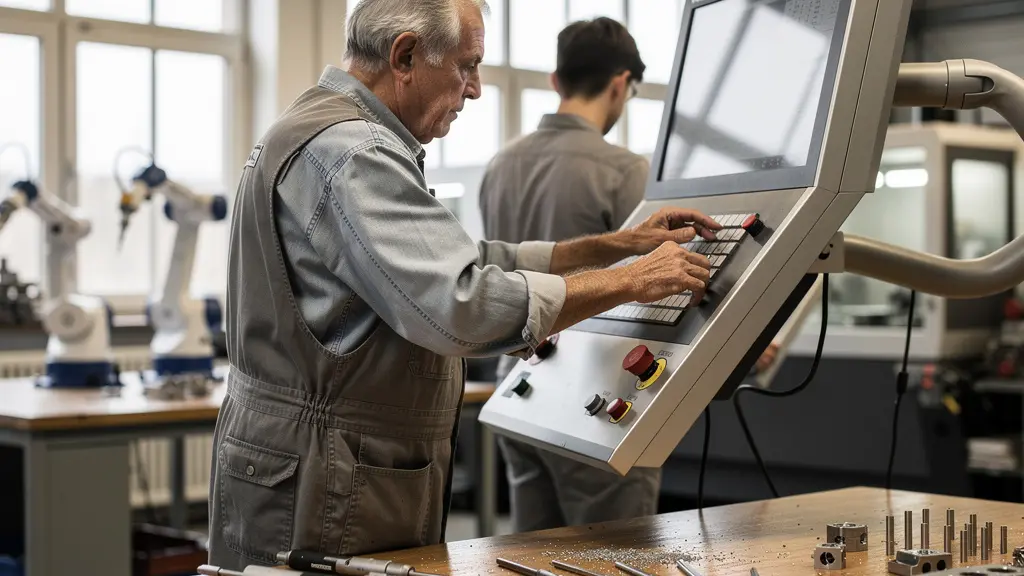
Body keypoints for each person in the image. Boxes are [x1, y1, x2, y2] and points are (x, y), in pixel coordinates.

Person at [208, 0, 719, 569]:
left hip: (311, 459)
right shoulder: (355, 152)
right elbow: (461, 303)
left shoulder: (320, 127)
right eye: (467, 66)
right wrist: (630, 281)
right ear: (404, 55)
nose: (475, 89)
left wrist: (610, 246)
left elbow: (458, 260)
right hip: (328, 470)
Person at [479, 17, 782, 532]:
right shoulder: (623, 170)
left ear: (557, 81)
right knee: (616, 555)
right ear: (621, 83)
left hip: (519, 385)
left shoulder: (498, 166)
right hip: (598, 402)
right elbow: (656, 286)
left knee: (528, 555)